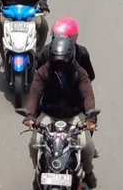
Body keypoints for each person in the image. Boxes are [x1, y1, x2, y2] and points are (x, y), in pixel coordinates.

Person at [22, 35, 98, 189]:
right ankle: (38, 172)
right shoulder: (43, 72)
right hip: (49, 115)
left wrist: (90, 117)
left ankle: (88, 172)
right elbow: (34, 94)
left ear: (70, 58)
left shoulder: (80, 73)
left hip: (74, 115)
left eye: (63, 60)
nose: (60, 64)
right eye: (57, 59)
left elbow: (88, 95)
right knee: (34, 143)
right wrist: (29, 116)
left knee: (86, 145)